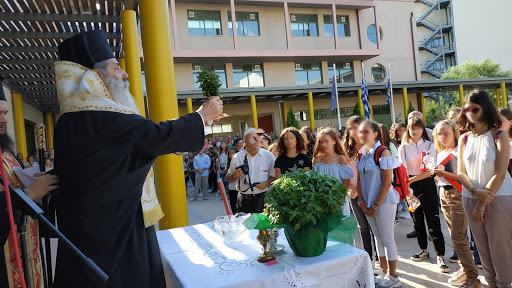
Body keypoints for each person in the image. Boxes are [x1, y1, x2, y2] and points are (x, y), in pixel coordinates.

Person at [52, 30, 223, 287]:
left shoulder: (71, 119)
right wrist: (201, 115)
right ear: (94, 76)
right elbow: (152, 136)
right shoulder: (100, 116)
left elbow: (139, 143)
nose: (125, 75)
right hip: (116, 230)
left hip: (91, 227)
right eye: (117, 68)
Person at [0, 76, 60, 288]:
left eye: (5, 113)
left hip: (26, 251)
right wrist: (27, 196)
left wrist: (34, 183)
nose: (5, 120)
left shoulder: (5, 152)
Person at [458, 90, 512, 288]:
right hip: (470, 196)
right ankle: (491, 284)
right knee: (482, 249)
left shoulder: (500, 136)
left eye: (474, 108)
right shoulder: (464, 138)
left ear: (485, 108)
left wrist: (481, 202)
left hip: (498, 196)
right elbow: (460, 172)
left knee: (500, 249)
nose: (469, 111)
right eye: (466, 108)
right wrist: (474, 192)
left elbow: (500, 173)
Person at [431, 120, 481, 288]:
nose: (442, 136)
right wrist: (437, 174)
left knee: (458, 237)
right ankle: (465, 269)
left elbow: (463, 176)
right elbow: (442, 176)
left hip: (458, 194)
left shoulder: (459, 151)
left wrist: (442, 173)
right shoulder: (441, 152)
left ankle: (473, 277)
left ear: (454, 133)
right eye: (439, 133)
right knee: (456, 235)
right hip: (444, 192)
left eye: (446, 133)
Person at [398, 118, 448, 273]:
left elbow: (429, 171)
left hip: (426, 185)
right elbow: (402, 170)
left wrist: (411, 180)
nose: (415, 131)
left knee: (433, 219)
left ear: (422, 130)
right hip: (410, 187)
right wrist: (408, 187)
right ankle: (423, 249)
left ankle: (440, 255)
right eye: (412, 128)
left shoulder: (429, 145)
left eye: (418, 128)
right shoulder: (403, 147)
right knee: (417, 219)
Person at [356, 121, 402, 288]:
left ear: (375, 133)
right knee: (378, 238)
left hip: (384, 202)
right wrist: (361, 201)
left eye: (366, 131)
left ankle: (393, 275)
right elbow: (360, 180)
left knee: (387, 238)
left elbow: (386, 182)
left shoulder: (383, 152)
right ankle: (384, 272)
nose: (362, 135)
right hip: (368, 204)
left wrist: (375, 205)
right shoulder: (361, 154)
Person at [341, 115, 379, 274]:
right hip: (354, 194)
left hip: (370, 193)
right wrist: (350, 188)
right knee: (362, 226)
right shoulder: (346, 149)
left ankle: (379, 259)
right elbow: (345, 174)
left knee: (374, 228)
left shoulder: (370, 147)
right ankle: (369, 259)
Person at [226, 128, 275, 213]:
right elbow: (228, 179)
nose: (253, 144)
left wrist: (266, 184)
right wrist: (234, 176)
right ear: (245, 143)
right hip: (244, 200)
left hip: (263, 198)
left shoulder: (269, 156)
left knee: (263, 225)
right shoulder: (237, 157)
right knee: (245, 225)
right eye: (250, 141)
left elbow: (275, 177)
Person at [312, 127, 353, 215]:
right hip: (322, 201)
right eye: (321, 141)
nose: (324, 144)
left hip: (338, 200)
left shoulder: (340, 159)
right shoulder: (317, 160)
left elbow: (346, 181)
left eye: (326, 141)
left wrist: (339, 197)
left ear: (334, 141)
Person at [498, 108, 512, 176]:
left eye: (501, 121)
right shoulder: (491, 139)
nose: (498, 124)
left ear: (511, 122)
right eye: (496, 121)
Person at [226, 147, 239, 214]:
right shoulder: (229, 163)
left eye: (233, 153)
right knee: (232, 204)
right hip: (231, 186)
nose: (231, 155)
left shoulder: (239, 161)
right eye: (230, 153)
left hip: (239, 187)